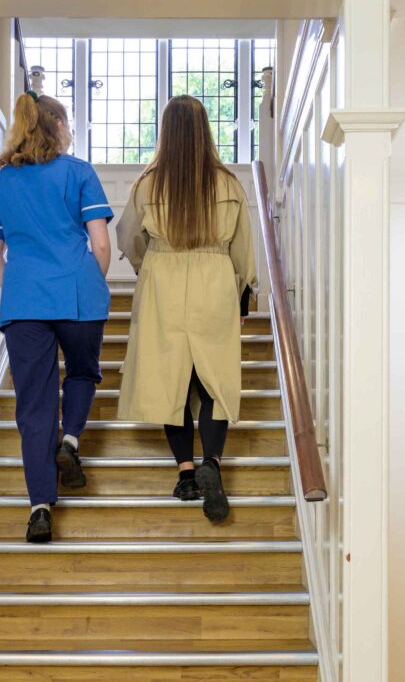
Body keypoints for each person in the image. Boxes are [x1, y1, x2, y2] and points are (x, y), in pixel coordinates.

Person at [0, 91, 113, 543]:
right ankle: (70, 440)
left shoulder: (3, 182)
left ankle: (39, 508)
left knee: (33, 406)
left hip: (24, 299)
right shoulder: (79, 172)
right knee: (83, 372)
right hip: (77, 292)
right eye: (68, 122)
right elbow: (101, 245)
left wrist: (15, 284)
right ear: (56, 125)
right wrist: (91, 281)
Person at [116, 95, 257, 524]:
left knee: (169, 377)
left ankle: (185, 474)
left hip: (164, 277)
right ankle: (211, 461)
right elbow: (243, 246)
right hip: (214, 277)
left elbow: (127, 238)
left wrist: (150, 267)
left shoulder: (148, 183)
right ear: (205, 130)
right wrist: (243, 293)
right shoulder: (229, 184)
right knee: (214, 379)